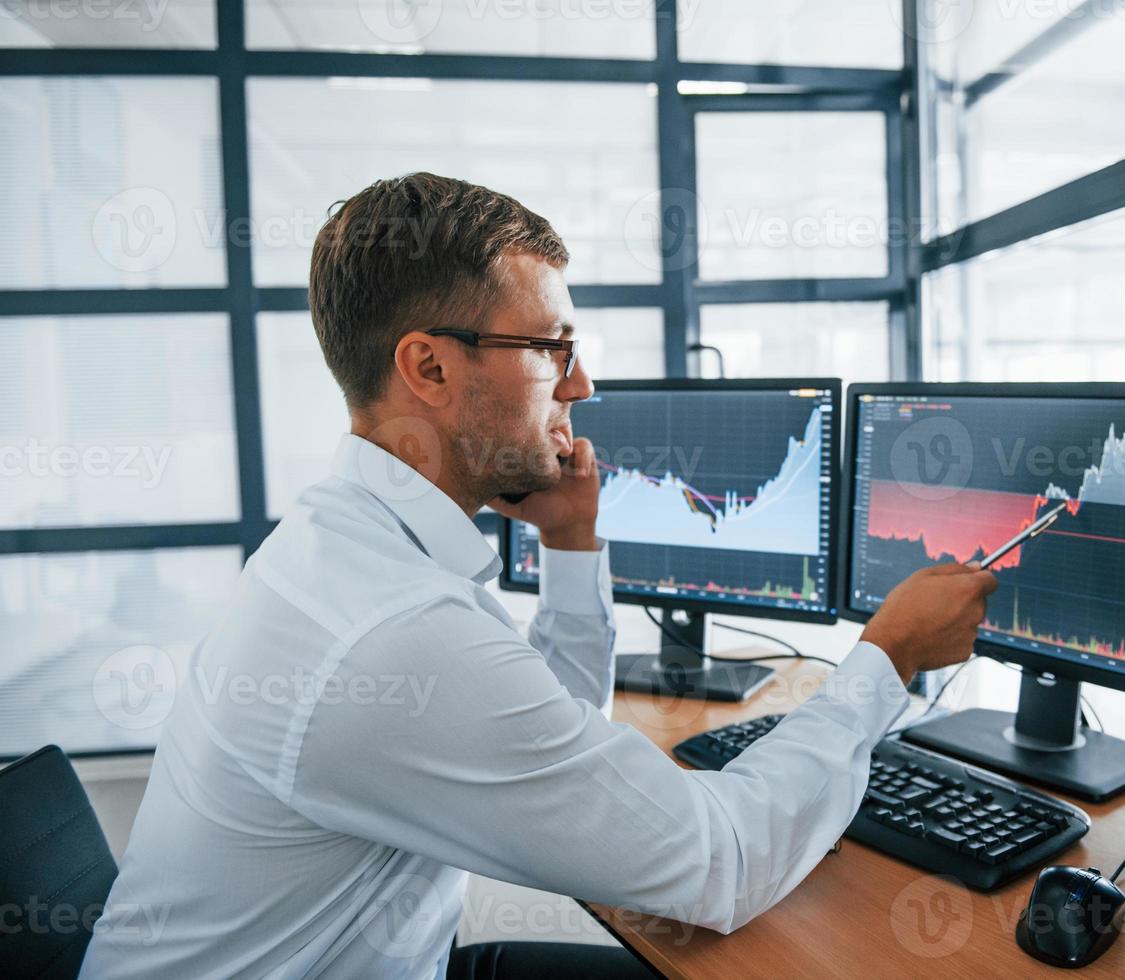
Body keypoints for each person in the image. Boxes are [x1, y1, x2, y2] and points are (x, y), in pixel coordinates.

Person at [82, 173, 998, 978]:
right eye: (552, 347)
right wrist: (888, 657)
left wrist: (570, 544)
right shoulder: (393, 629)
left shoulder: (353, 547)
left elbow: (546, 727)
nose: (581, 385)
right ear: (430, 367)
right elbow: (718, 867)